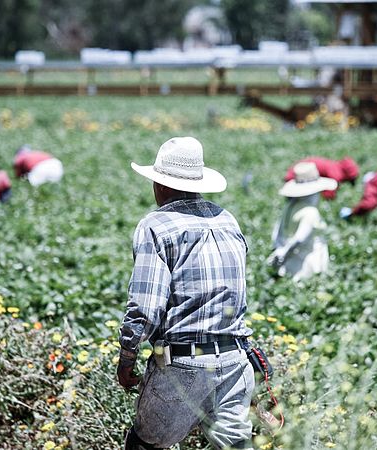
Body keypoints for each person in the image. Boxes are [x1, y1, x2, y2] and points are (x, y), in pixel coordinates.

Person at [118, 136, 254, 450]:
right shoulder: (226, 219)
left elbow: (144, 308)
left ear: (161, 186)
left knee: (144, 445)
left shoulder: (156, 225)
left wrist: (127, 357)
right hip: (235, 358)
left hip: (185, 363)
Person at [269, 162, 337, 281]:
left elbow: (278, 229)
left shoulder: (290, 205)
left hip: (291, 261)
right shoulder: (311, 212)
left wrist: (279, 248)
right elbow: (300, 238)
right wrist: (284, 252)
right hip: (307, 261)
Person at [284, 156, 358, 199]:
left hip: (297, 170)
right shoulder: (336, 175)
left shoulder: (335, 167)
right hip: (297, 176)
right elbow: (328, 195)